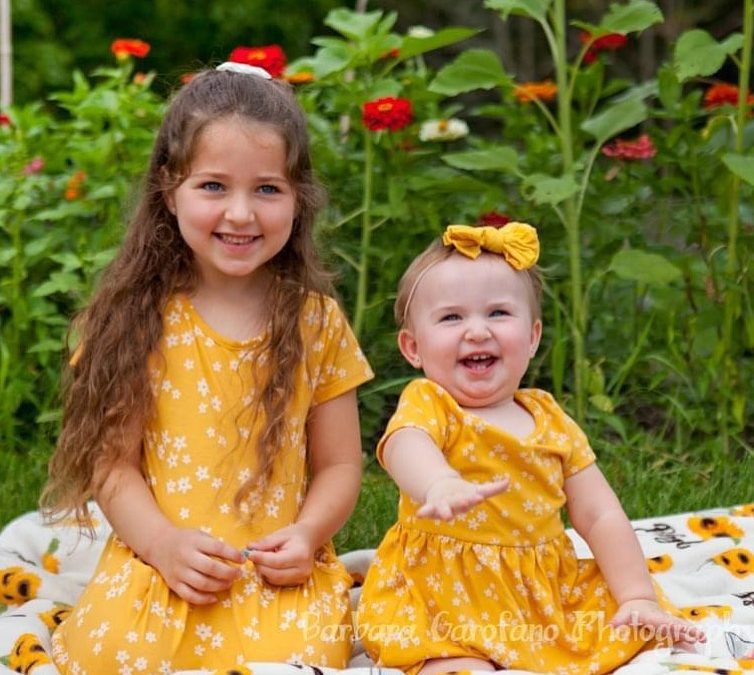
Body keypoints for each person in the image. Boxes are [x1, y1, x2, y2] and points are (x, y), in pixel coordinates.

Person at [40, 61, 373, 671]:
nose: (241, 214)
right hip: (163, 568)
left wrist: (306, 537)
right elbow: (112, 467)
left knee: (298, 654)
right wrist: (164, 546)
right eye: (214, 186)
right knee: (114, 651)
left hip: (274, 577)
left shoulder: (315, 320)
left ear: (299, 198)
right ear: (169, 189)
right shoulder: (134, 319)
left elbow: (340, 465)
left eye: (267, 189)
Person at [356, 223, 705, 674]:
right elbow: (406, 444)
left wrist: (636, 594)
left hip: (538, 593)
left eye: (498, 313)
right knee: (452, 661)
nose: (477, 331)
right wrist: (438, 482)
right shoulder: (432, 403)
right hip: (442, 590)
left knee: (627, 621)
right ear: (413, 348)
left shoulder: (550, 418)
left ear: (534, 336)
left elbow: (599, 514)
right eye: (451, 318)